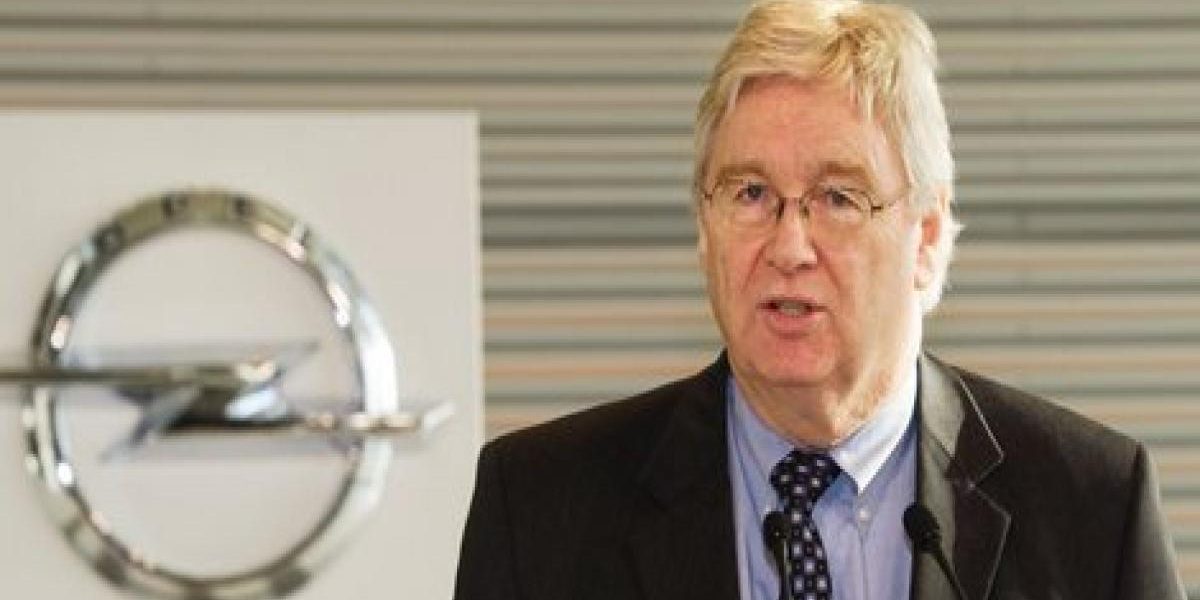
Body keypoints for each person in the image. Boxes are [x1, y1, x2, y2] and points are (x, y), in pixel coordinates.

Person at [453, 0, 1186, 598]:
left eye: (838, 197)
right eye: (750, 193)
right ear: (704, 227)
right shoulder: (539, 512)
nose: (790, 247)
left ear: (927, 237)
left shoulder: (1092, 509)